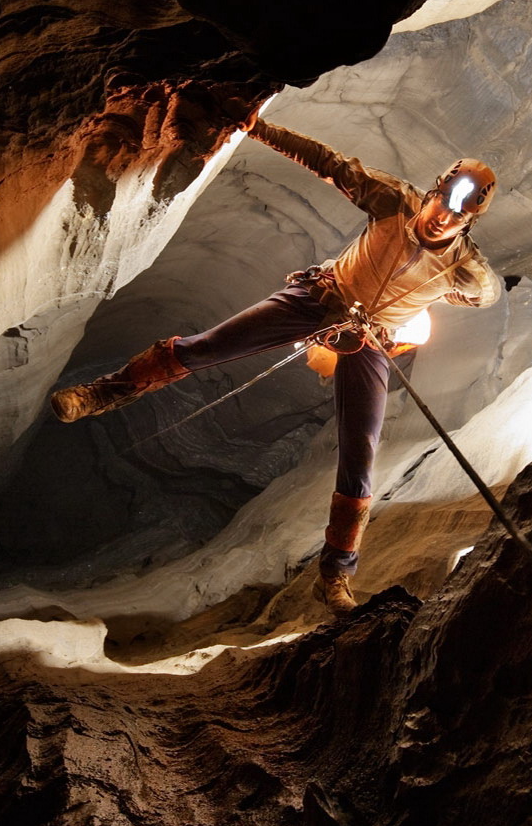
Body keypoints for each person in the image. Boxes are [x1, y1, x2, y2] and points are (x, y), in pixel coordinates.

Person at [50, 115, 502, 616]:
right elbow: (329, 164)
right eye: (443, 202)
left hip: (370, 339)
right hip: (319, 297)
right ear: (434, 192)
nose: (443, 218)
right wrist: (256, 128)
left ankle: (335, 575)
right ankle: (103, 394)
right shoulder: (392, 200)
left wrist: (415, 310)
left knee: (360, 457)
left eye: (458, 216)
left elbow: (484, 294)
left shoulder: (466, 266)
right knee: (208, 346)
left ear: (468, 222)